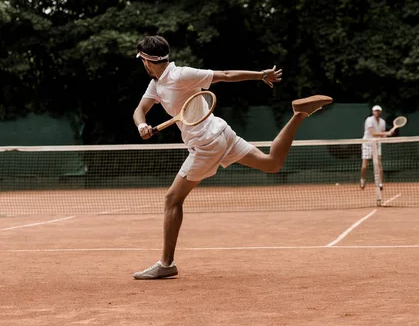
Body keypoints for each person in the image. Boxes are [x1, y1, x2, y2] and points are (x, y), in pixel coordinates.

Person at [132, 35, 332, 279]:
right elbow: (140, 110)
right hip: (222, 133)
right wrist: (142, 125)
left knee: (172, 199)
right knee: (272, 164)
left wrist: (260, 75)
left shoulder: (181, 75)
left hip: (206, 144)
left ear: (146, 60)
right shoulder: (156, 85)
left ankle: (166, 263)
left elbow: (224, 75)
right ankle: (298, 115)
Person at [360, 105, 394, 190]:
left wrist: (387, 136)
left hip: (377, 144)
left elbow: (382, 135)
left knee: (379, 163)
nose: (377, 112)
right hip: (367, 143)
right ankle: (363, 179)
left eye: (378, 111)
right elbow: (373, 133)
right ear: (372, 112)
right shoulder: (369, 120)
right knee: (364, 166)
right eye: (375, 111)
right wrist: (387, 133)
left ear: (380, 112)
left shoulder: (382, 122)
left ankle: (380, 183)